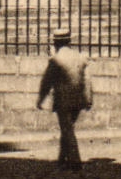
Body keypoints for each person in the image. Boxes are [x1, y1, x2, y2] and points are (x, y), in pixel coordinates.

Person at [36, 27, 92, 171]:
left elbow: (46, 81)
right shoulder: (80, 57)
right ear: (69, 42)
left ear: (55, 43)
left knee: (67, 129)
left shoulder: (56, 60)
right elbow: (87, 79)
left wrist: (41, 99)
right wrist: (88, 98)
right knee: (67, 128)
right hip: (78, 99)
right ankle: (61, 159)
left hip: (63, 100)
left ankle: (75, 161)